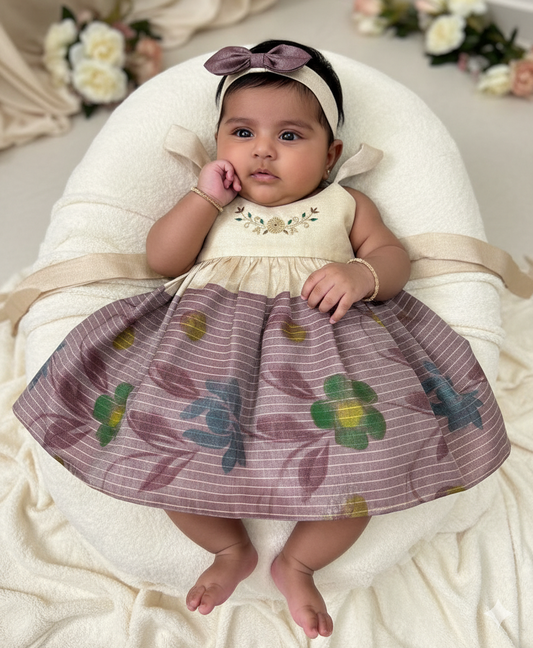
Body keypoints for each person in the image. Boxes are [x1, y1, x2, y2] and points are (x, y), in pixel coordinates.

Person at [13, 40, 510, 640]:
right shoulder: (214, 204)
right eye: (242, 132)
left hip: (331, 360)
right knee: (157, 449)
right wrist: (203, 197)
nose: (263, 150)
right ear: (218, 142)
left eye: (290, 136)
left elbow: (392, 257)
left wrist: (363, 274)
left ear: (331, 155)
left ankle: (299, 563)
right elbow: (162, 259)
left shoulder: (346, 203)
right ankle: (229, 549)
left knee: (374, 460)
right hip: (205, 351)